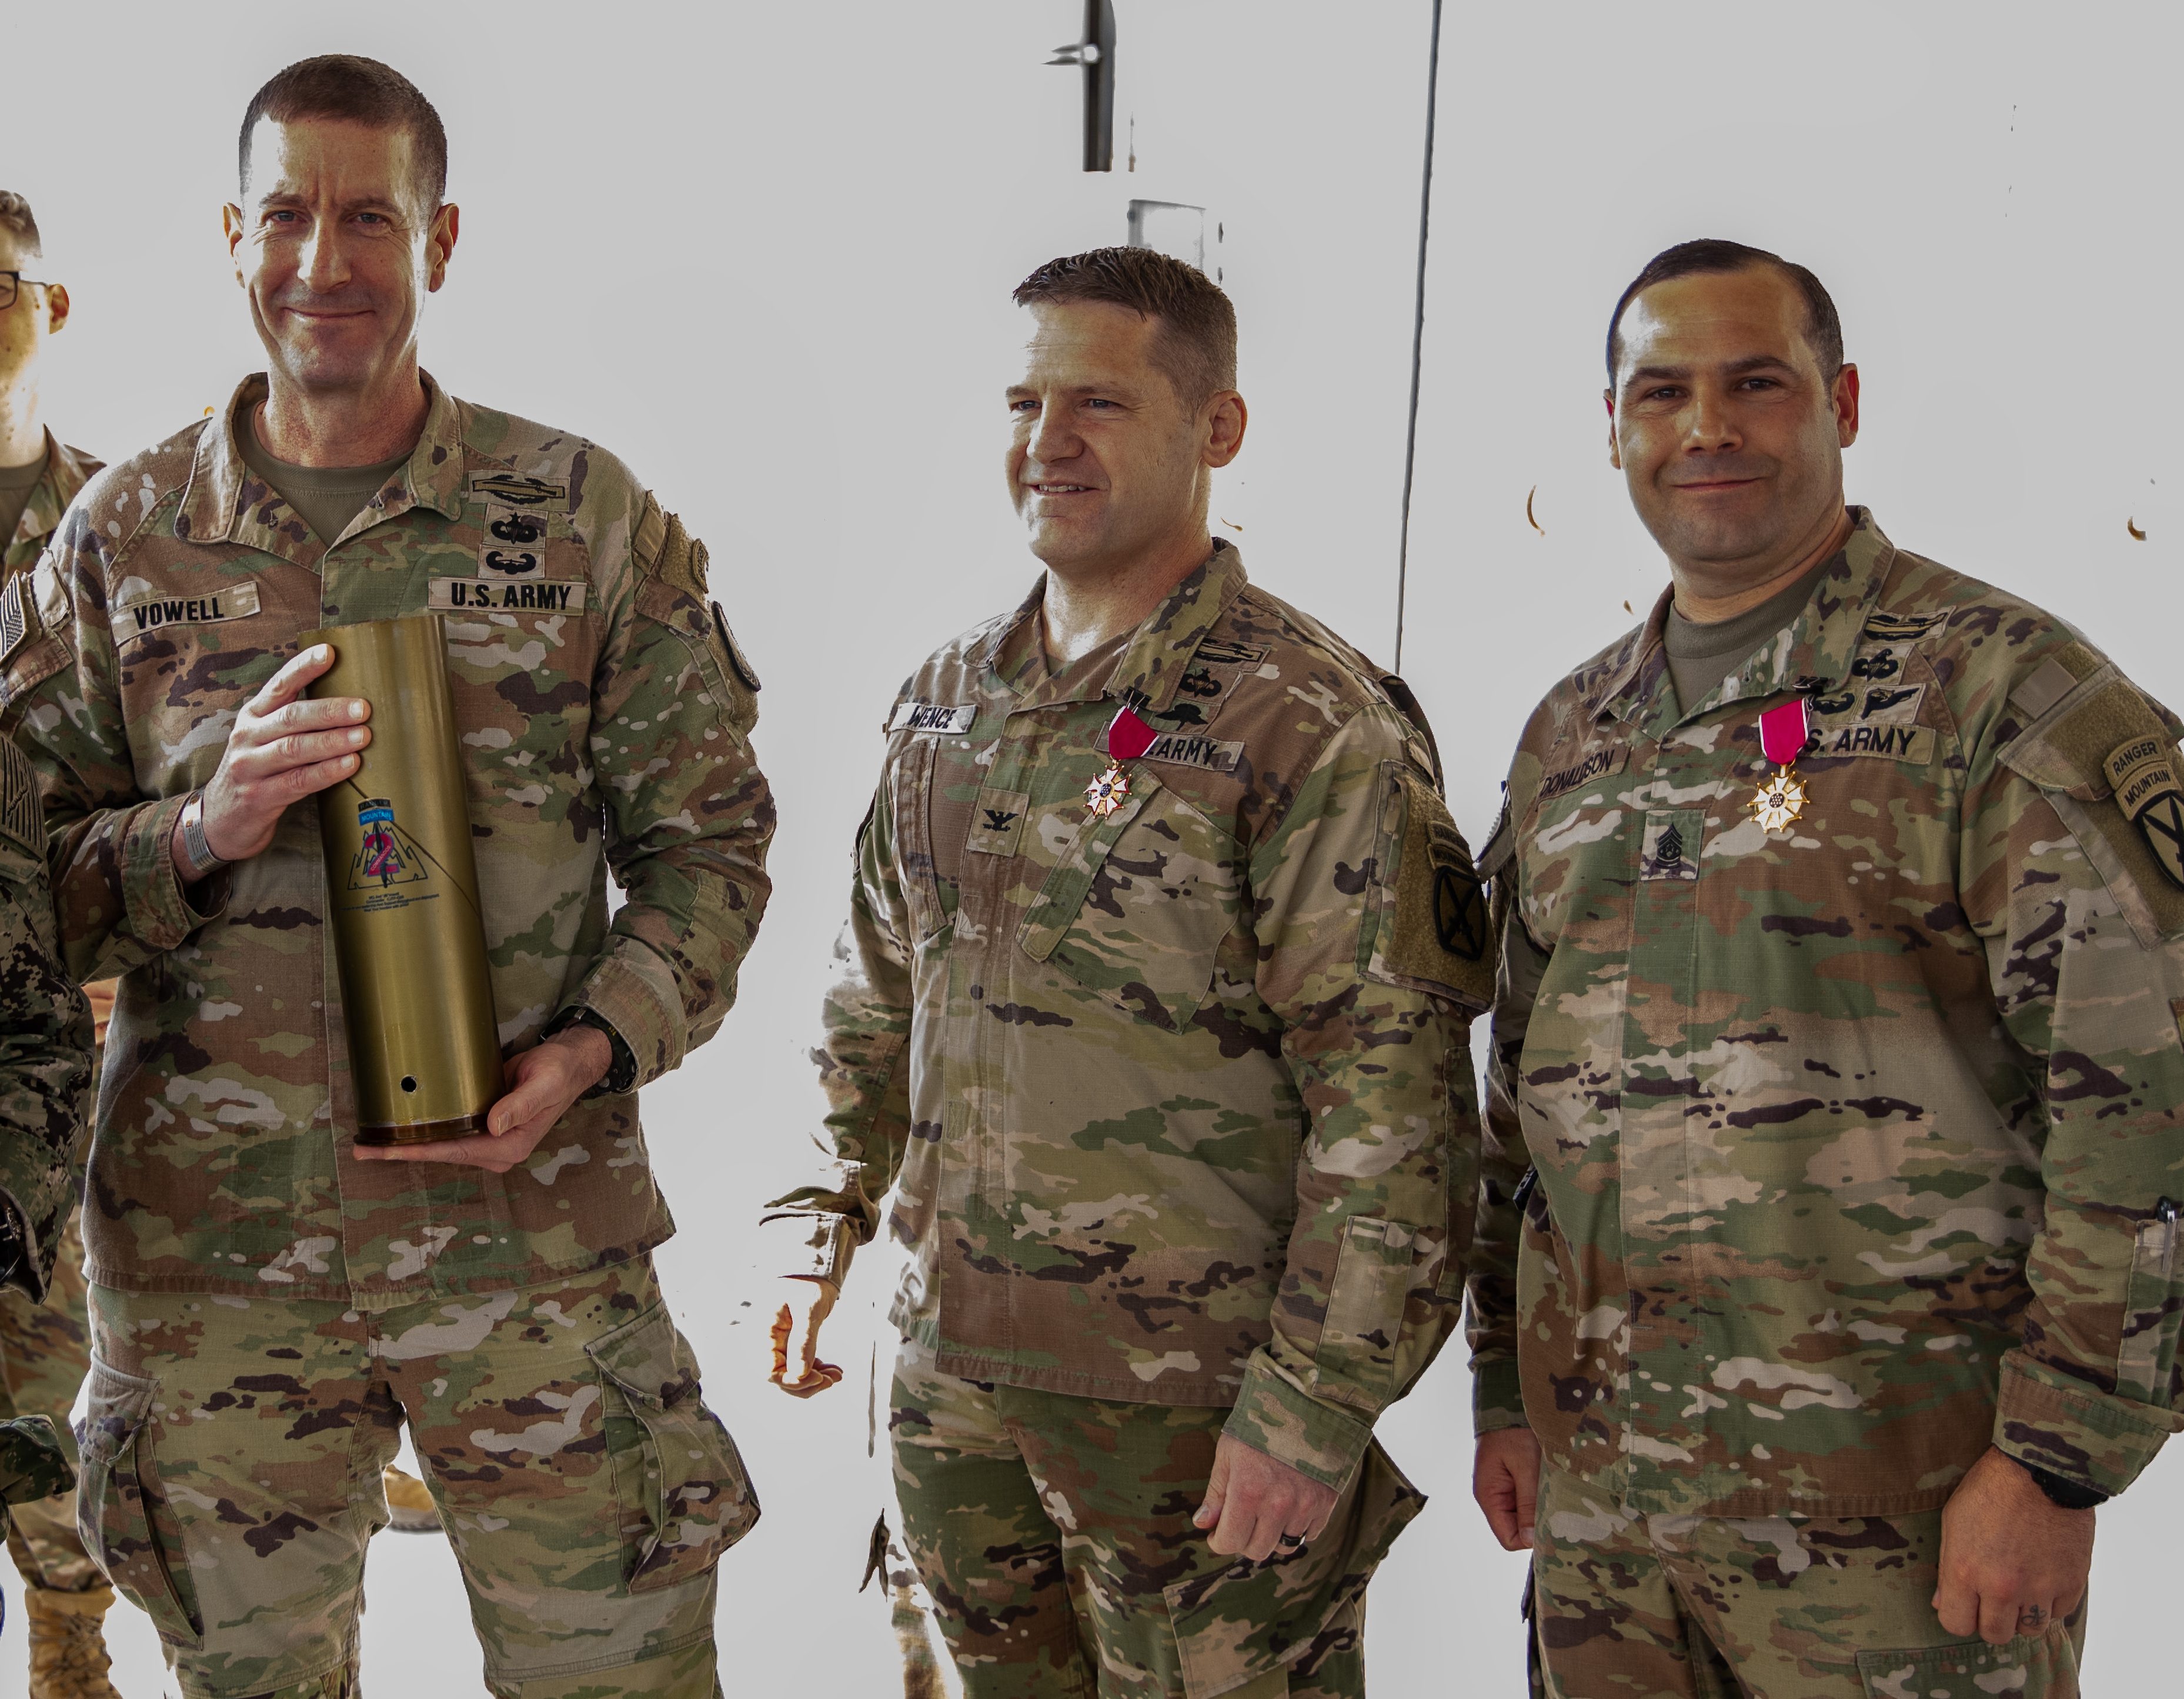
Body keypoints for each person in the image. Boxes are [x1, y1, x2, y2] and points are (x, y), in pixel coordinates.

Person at [0, 56, 774, 1699]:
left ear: (442, 238)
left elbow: (709, 850)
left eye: (371, 216)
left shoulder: (578, 518)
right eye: (286, 213)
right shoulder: (121, 537)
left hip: (528, 1252)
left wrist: (597, 1045)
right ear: (230, 234)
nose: (323, 260)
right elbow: (23, 896)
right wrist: (194, 833)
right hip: (218, 1278)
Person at [765, 247, 1489, 1698]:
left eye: (1099, 400)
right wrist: (820, 1227)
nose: (1049, 441)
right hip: (953, 1391)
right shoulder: (946, 700)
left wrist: (1313, 1406)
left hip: (1196, 1421)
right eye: (1026, 400)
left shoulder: (1310, 721)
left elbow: (1390, 1105)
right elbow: (873, 996)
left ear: (1216, 427)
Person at [1468, 238, 2184, 1696]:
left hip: (1902, 1527)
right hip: (1612, 1525)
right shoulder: (1576, 735)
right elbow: (1520, 1103)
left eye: (1758, 384)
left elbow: (2149, 1096)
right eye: (1662, 391)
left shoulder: (1999, 693)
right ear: (1613, 426)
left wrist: (2057, 1461)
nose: (1708, 429)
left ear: (1843, 400)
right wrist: (1505, 1386)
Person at [0, 185, 124, 1699]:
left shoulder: (127, 539)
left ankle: (69, 1646)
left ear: (53, 307)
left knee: (56, 1390)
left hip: (78, 1071)